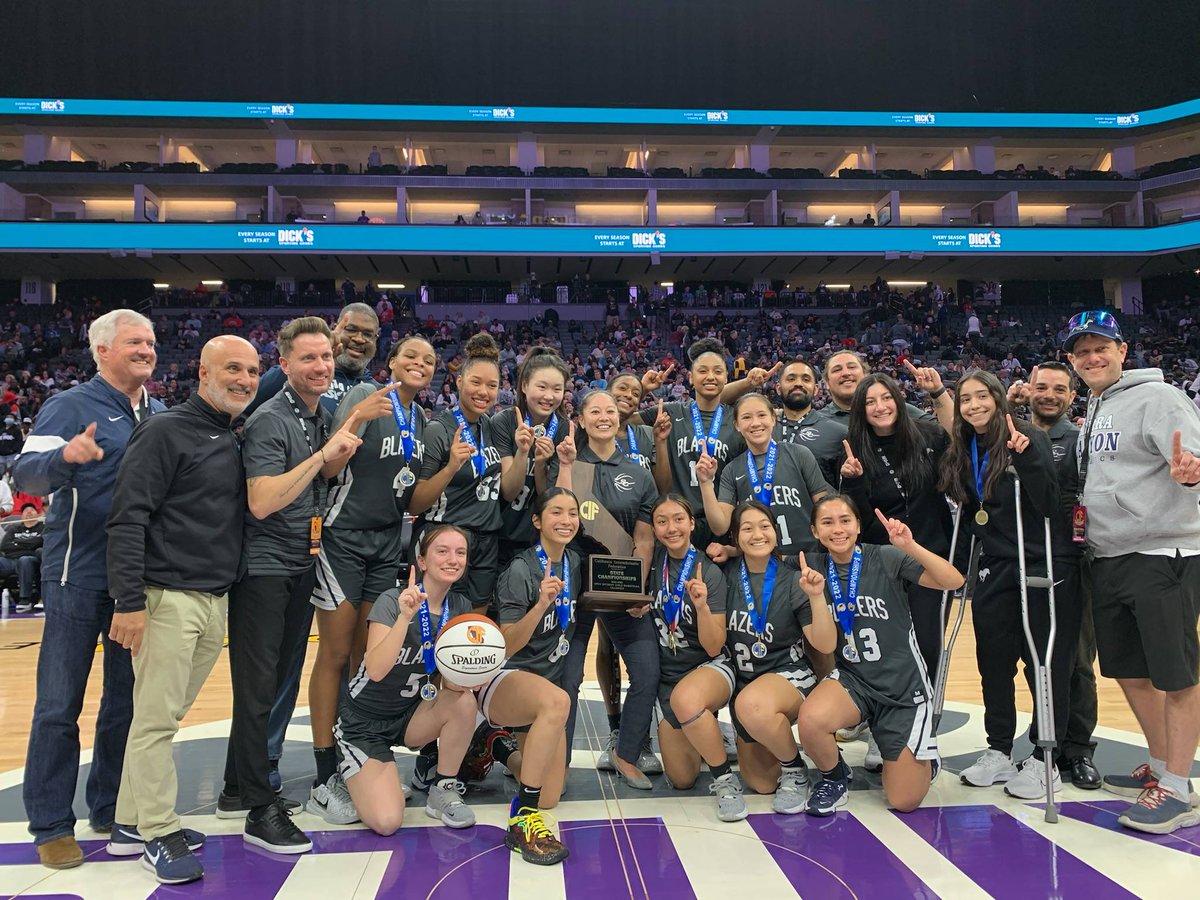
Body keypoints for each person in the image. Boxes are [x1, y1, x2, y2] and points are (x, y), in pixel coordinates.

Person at [102, 336, 259, 884]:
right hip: (166, 599)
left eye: (252, 370)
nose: (244, 378)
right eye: (232, 368)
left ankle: (128, 823)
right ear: (202, 371)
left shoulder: (231, 434)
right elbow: (127, 518)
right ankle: (159, 833)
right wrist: (128, 601)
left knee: (161, 719)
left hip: (212, 599)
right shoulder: (166, 430)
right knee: (153, 722)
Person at [15, 308, 164, 869]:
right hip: (77, 575)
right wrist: (64, 458)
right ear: (102, 349)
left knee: (126, 703)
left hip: (139, 581)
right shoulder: (70, 405)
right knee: (59, 704)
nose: (147, 349)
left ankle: (109, 807)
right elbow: (25, 475)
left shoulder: (159, 411)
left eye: (150, 342)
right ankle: (51, 824)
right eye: (134, 342)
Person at [218, 317, 363, 855]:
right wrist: (325, 458)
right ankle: (259, 807)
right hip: (264, 569)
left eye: (326, 356)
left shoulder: (317, 412)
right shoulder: (268, 419)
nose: (321, 366)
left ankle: (237, 788)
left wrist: (334, 455)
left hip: (300, 562)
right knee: (258, 689)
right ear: (284, 364)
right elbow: (262, 500)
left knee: (277, 682)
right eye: (309, 358)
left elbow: (313, 478)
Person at [1064, 310, 1200, 834]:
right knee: (1128, 669)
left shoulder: (1159, 397)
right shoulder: (1096, 405)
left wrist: (1191, 476)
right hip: (1110, 554)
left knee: (1175, 672)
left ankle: (1179, 788)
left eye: (1102, 347)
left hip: (1162, 551)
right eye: (1082, 351)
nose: (1092, 357)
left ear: (1123, 350)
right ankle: (1164, 766)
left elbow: (1191, 458)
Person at [242, 303, 381, 790]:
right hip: (274, 546)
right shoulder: (284, 397)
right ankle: (258, 767)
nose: (357, 341)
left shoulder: (357, 396)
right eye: (350, 331)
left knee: (320, 657)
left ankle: (335, 748)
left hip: (320, 544)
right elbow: (247, 418)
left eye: (368, 333)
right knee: (279, 665)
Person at [305, 335, 436, 825]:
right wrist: (358, 420)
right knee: (336, 654)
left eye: (428, 360)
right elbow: (330, 466)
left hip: (389, 542)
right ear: (392, 362)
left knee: (367, 659)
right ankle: (323, 775)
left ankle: (355, 758)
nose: (419, 365)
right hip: (343, 538)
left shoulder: (422, 421)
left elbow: (412, 497)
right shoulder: (361, 398)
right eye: (411, 357)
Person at [940, 370, 1080, 801]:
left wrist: (1027, 458)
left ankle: (1044, 756)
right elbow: (970, 514)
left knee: (1046, 664)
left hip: (1043, 565)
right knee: (993, 662)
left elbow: (1047, 502)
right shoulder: (965, 448)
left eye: (983, 396)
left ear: (999, 400)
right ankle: (999, 748)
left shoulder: (1027, 437)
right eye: (966, 399)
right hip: (996, 566)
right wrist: (958, 567)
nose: (975, 405)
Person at [796, 496, 963, 815]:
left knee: (903, 801)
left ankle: (923, 759)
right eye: (827, 522)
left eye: (845, 520)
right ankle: (834, 778)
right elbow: (825, 645)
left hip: (902, 687)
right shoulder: (812, 568)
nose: (837, 529)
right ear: (815, 531)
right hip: (855, 680)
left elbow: (953, 581)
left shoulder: (886, 557)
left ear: (858, 526)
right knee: (812, 718)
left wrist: (910, 546)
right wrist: (816, 598)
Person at [336, 526, 479, 836]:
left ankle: (443, 789)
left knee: (465, 703)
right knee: (387, 822)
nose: (452, 559)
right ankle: (342, 776)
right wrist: (404, 618)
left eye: (460, 552)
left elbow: (452, 686)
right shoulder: (392, 600)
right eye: (442, 551)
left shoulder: (460, 609)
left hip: (410, 714)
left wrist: (473, 670)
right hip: (364, 723)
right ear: (422, 560)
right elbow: (374, 670)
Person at [556, 390, 660, 787]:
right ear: (581, 420)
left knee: (647, 670)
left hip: (620, 586)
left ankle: (627, 754)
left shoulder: (638, 472)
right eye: (594, 411)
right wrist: (566, 466)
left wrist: (636, 590)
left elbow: (645, 539)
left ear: (620, 419)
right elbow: (560, 516)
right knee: (567, 677)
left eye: (610, 411)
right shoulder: (570, 464)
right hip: (574, 587)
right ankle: (557, 763)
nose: (604, 417)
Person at [1007, 362, 1100, 790]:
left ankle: (1077, 748)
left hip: (1068, 563)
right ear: (1028, 389)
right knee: (1037, 662)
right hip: (1023, 561)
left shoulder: (1080, 441)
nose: (1049, 394)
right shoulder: (1011, 433)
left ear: (1070, 396)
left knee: (1076, 661)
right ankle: (1046, 737)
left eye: (1059, 389)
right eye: (1041, 386)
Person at [840, 373, 953, 694]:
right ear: (861, 410)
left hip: (929, 558)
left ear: (898, 400)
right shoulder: (852, 451)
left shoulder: (928, 436)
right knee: (888, 642)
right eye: (870, 402)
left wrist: (938, 392)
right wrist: (853, 482)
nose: (880, 407)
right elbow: (858, 518)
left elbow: (958, 438)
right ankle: (885, 712)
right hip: (883, 564)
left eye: (886, 398)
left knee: (928, 643)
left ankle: (923, 710)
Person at [723, 500, 837, 812]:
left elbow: (825, 645)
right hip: (745, 683)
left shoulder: (791, 578)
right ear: (735, 538)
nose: (757, 534)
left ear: (776, 532)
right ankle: (774, 738)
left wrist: (816, 597)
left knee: (754, 705)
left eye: (764, 526)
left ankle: (795, 770)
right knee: (761, 784)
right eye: (747, 528)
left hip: (788, 675)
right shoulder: (725, 575)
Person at [491, 487, 582, 864]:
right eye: (556, 513)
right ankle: (524, 818)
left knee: (552, 795)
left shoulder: (573, 562)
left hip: (545, 685)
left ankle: (499, 749)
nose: (566, 520)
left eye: (573, 513)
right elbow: (507, 644)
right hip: (510, 679)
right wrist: (542, 603)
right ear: (537, 521)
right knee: (559, 700)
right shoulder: (520, 570)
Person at [645, 495, 740, 818]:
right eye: (662, 521)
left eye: (678, 520)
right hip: (669, 677)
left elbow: (715, 646)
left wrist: (700, 606)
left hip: (710, 666)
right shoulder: (651, 564)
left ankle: (725, 780)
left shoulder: (708, 571)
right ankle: (706, 729)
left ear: (691, 524)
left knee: (688, 699)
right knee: (682, 779)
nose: (671, 528)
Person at [408, 333, 505, 611]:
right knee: (434, 623)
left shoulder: (491, 427)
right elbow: (416, 502)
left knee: (473, 628)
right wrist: (451, 467)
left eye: (492, 385)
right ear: (459, 381)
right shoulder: (440, 429)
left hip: (486, 539)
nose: (483, 392)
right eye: (475, 382)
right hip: (444, 533)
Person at [699, 392, 830, 556]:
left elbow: (824, 509)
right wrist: (705, 483)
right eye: (746, 417)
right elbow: (720, 527)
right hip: (760, 562)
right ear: (737, 425)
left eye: (762, 415)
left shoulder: (799, 454)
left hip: (807, 558)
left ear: (773, 419)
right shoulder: (732, 470)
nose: (755, 423)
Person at [650, 338, 746, 552]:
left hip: (722, 523)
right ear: (691, 378)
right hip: (678, 521)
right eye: (702, 371)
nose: (710, 376)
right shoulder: (670, 412)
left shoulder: (738, 419)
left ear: (726, 377)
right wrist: (642, 387)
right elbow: (621, 418)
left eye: (718, 371)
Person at [493, 348, 572, 569]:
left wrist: (540, 465)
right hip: (500, 535)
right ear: (525, 386)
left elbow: (550, 496)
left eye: (557, 389)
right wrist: (522, 452)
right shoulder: (503, 422)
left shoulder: (565, 429)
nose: (549, 396)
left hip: (539, 539)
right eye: (542, 387)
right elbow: (508, 491)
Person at [773, 358, 847, 485]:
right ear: (778, 388)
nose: (798, 383)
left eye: (806, 379)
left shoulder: (839, 433)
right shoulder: (761, 429)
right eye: (791, 379)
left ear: (816, 389)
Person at [0, 504, 43, 611]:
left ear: (37, 514)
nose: (28, 512)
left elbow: (39, 542)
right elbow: (5, 546)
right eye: (25, 511)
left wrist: (17, 543)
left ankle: (25, 599)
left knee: (24, 560)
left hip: (31, 560)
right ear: (21, 516)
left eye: (32, 510)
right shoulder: (14, 529)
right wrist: (27, 544)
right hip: (11, 561)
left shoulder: (43, 527)